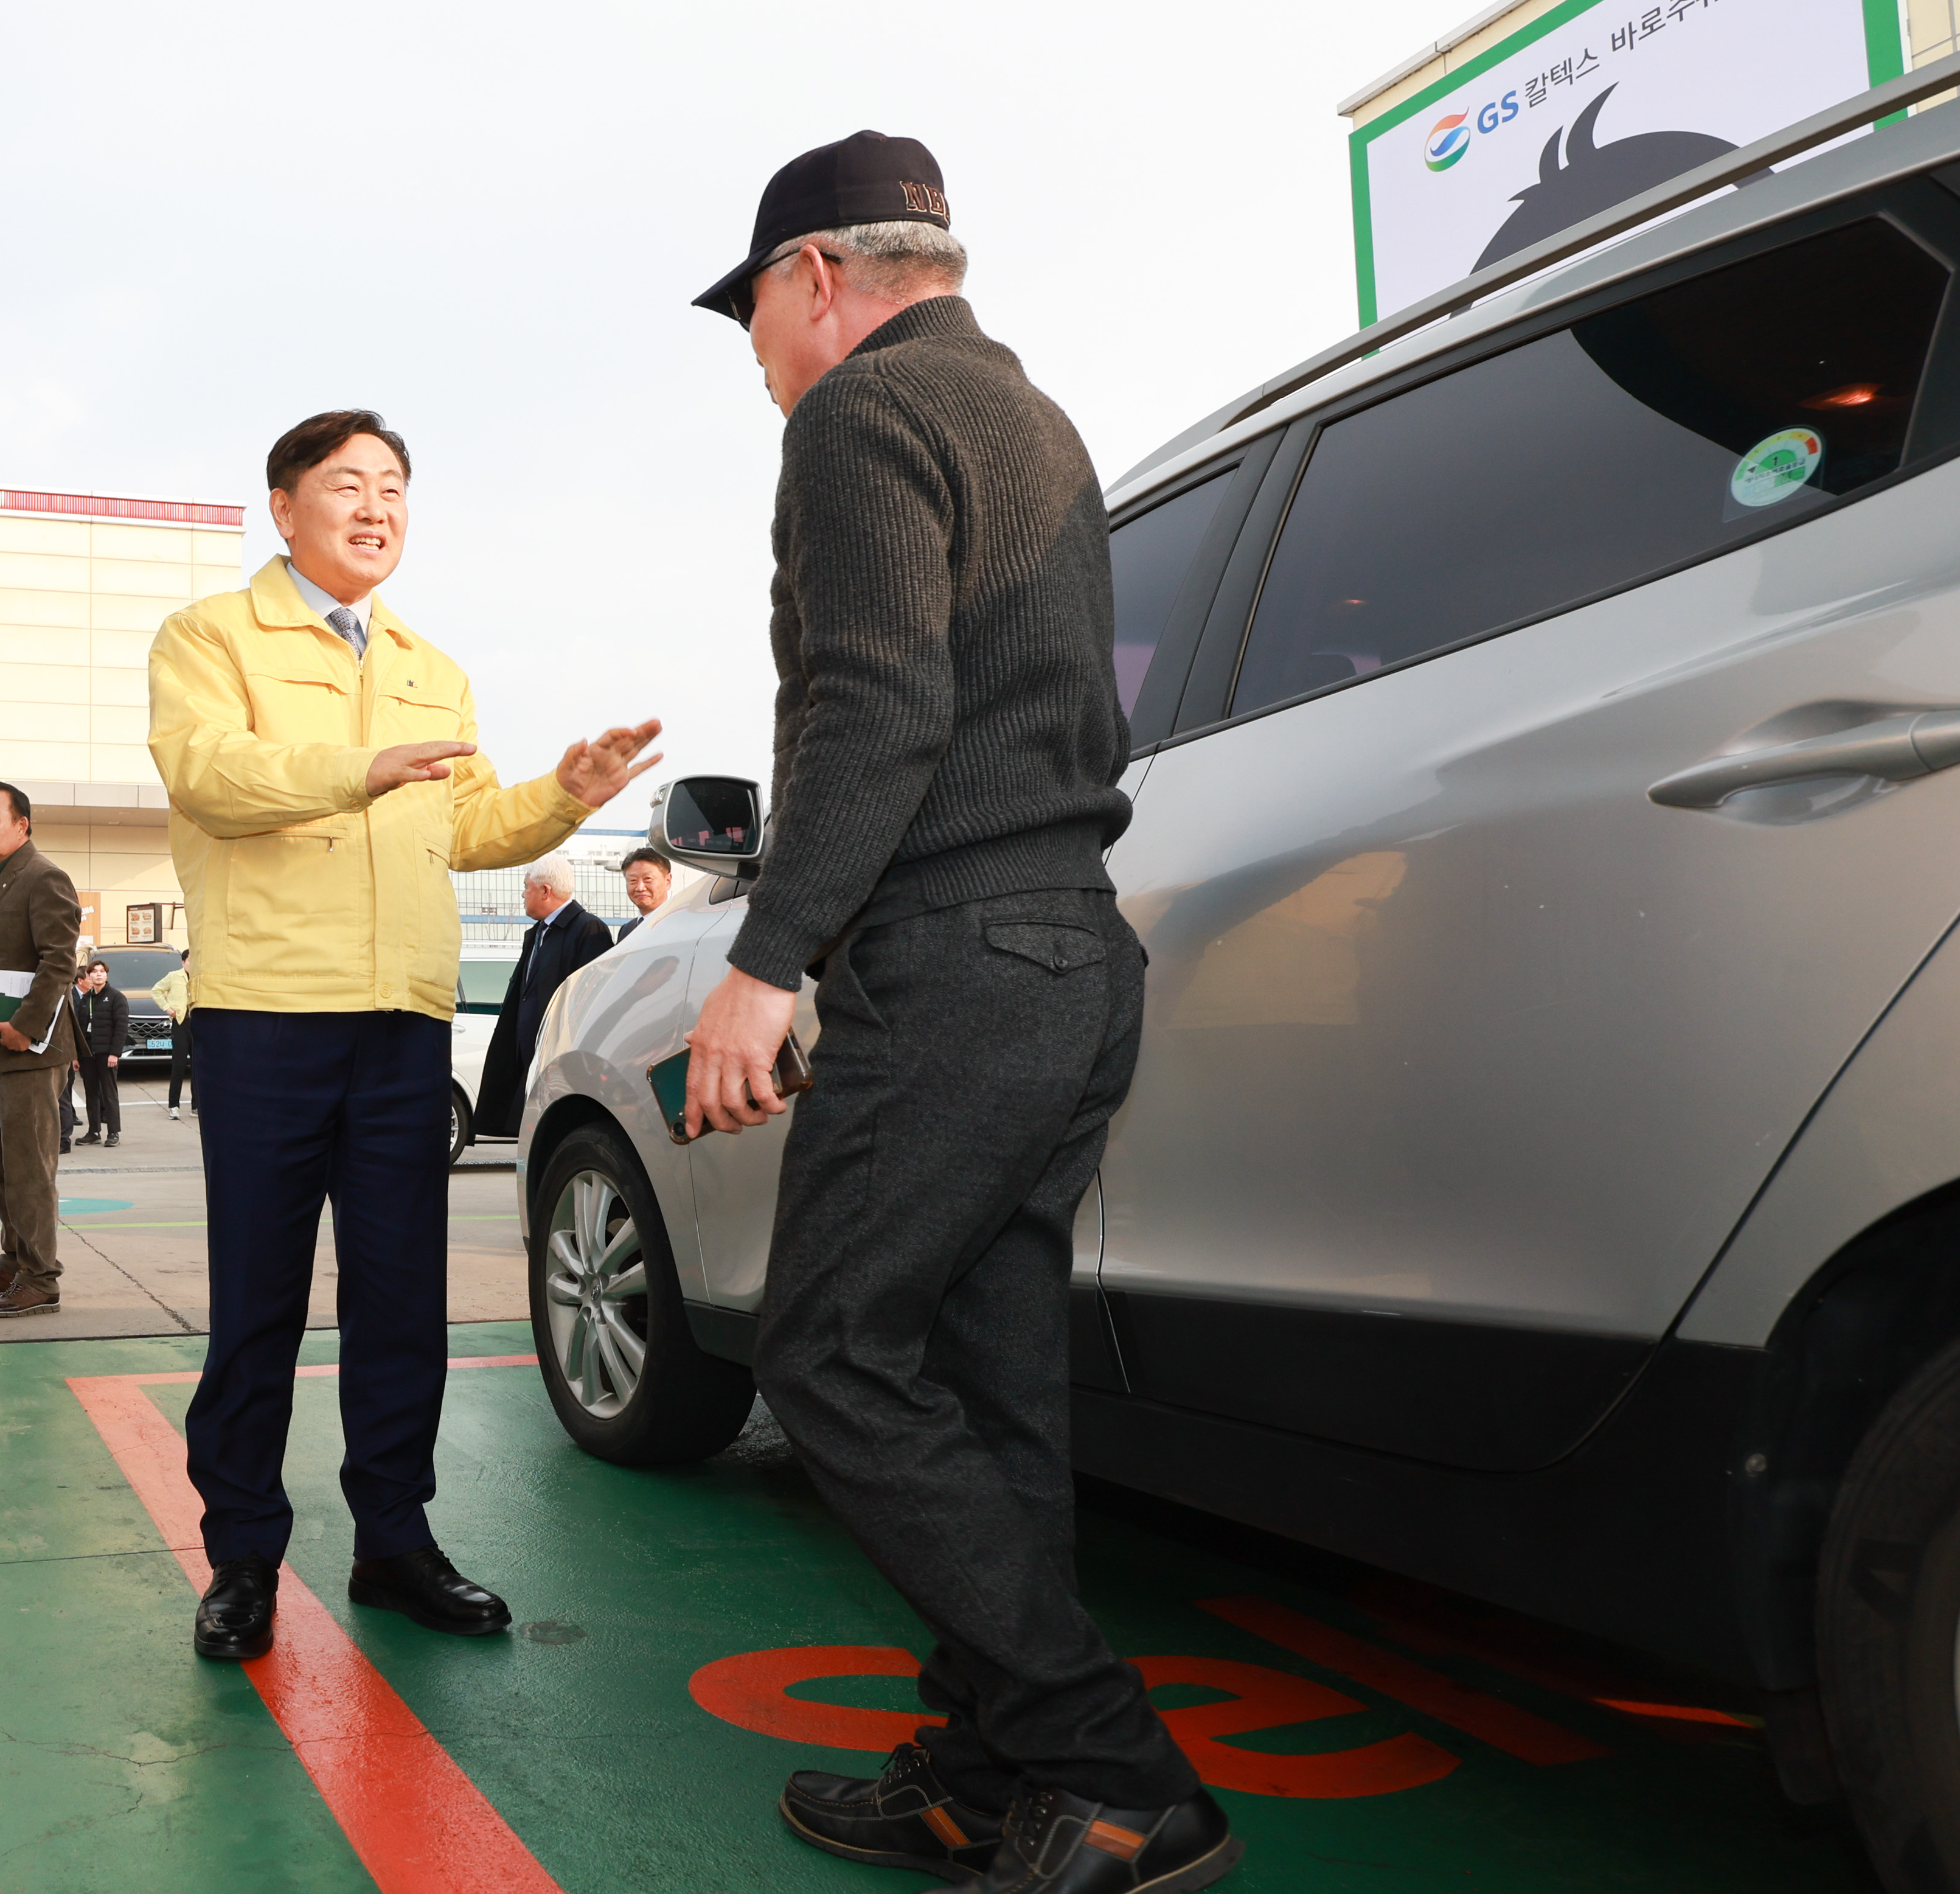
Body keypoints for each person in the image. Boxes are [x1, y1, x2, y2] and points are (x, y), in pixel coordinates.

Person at [677, 134, 1229, 1894]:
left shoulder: (857, 417)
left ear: (817, 278)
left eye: (751, 312)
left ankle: (1105, 1764)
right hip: (1071, 957)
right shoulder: (1035, 418)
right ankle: (993, 1769)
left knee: (830, 1354)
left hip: (958, 954)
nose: (755, 353)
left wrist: (768, 962)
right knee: (993, 1388)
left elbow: (881, 702)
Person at [151, 408, 659, 1660]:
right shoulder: (213, 636)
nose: (376, 508)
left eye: (394, 488)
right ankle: (244, 1556)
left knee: (400, 1300)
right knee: (257, 1303)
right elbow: (208, 774)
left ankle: (395, 1538)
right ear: (284, 507)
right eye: (347, 485)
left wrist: (567, 795)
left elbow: (472, 825)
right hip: (266, 1013)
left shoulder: (434, 663)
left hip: (398, 1023)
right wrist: (360, 765)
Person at [0, 782, 83, 1318]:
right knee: (3, 1165)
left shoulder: (43, 876)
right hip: (1, 1048)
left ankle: (41, 1277)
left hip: (31, 1049)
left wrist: (26, 1027)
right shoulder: (0, 879)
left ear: (22, 825)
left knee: (30, 1169)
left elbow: (61, 961)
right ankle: (13, 1262)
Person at [468, 861, 608, 1140]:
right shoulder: (536, 934)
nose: (523, 895)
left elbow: (592, 1002)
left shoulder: (588, 929)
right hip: (527, 1052)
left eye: (526, 888)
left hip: (559, 1058)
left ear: (545, 891)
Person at [72, 961, 130, 1147]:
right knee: (91, 1093)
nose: (98, 975)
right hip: (88, 1054)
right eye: (94, 972)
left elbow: (121, 1028)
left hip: (107, 1054)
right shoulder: (85, 999)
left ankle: (113, 1132)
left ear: (107, 975)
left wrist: (115, 1053)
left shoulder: (116, 998)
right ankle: (94, 1131)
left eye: (102, 972)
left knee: (109, 1093)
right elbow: (79, 1029)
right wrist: (77, 1056)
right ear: (88, 976)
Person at [152, 950, 195, 1121]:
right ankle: (173, 1105)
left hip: (197, 1023)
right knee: (179, 1065)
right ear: (184, 962)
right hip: (180, 1022)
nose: (193, 964)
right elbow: (156, 991)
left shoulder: (200, 977)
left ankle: (197, 1105)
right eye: (190, 960)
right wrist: (167, 1008)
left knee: (198, 1067)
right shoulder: (174, 976)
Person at [615, 846, 675, 942]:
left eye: (648, 879)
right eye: (633, 881)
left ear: (667, 881)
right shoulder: (626, 930)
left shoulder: (680, 925)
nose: (640, 888)